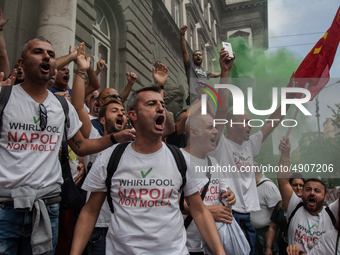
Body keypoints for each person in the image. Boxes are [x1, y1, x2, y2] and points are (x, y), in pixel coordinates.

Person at [0, 37, 135, 255]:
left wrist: (114, 138)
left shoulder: (62, 106)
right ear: (22, 63)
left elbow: (81, 145)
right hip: (4, 207)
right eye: (38, 52)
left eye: (51, 55)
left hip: (48, 207)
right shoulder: (4, 97)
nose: (46, 57)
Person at [70, 85, 226, 255]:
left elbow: (200, 211)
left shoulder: (180, 159)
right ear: (133, 115)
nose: (160, 107)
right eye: (151, 104)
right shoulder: (110, 158)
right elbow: (91, 211)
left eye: (162, 104)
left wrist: (220, 252)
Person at [209, 70, 298, 254]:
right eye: (246, 121)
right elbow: (222, 109)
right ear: (231, 124)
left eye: (251, 121)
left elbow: (273, 121)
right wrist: (225, 71)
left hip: (247, 217)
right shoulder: (220, 144)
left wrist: (289, 96)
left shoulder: (250, 144)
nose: (251, 125)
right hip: (227, 216)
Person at [181, 112, 236, 255]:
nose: (216, 131)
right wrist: (207, 210)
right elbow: (168, 201)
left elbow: (224, 188)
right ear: (193, 132)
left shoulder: (214, 163)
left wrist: (230, 195)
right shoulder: (178, 160)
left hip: (214, 243)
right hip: (187, 245)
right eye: (210, 127)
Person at [277, 137, 337, 253]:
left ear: (325, 197)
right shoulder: (294, 206)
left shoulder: (331, 213)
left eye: (317, 191)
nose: (312, 193)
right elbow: (283, 180)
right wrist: (285, 154)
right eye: (308, 189)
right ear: (303, 193)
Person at [180, 25, 221, 103]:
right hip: (194, 96)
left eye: (200, 55)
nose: (198, 56)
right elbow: (184, 51)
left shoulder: (205, 71)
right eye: (196, 55)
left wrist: (227, 69)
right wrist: (182, 35)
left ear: (203, 58)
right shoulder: (190, 66)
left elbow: (216, 74)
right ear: (192, 59)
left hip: (204, 96)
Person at [266, 173, 305, 255]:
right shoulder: (280, 206)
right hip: (283, 248)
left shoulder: (308, 206)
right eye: (295, 185)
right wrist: (268, 248)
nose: (298, 188)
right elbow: (273, 228)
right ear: (289, 186)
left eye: (301, 185)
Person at [251, 163, 281, 255]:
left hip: (266, 232)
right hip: (254, 232)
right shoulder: (252, 186)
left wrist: (271, 232)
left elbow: (278, 211)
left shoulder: (268, 186)